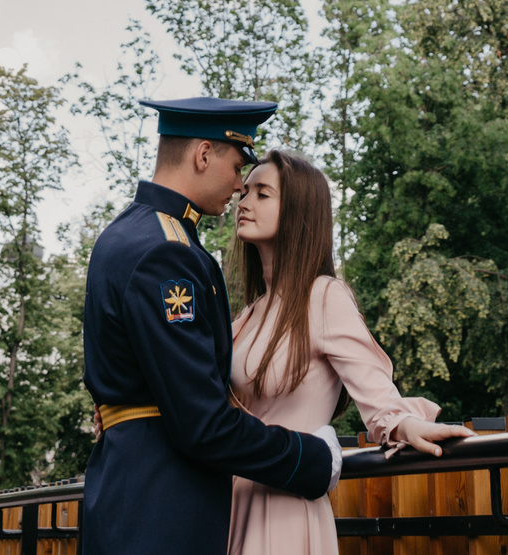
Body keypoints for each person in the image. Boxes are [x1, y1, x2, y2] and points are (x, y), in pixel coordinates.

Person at [81, 97, 339, 555]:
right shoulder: (168, 252)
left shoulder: (121, 233)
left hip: (125, 490)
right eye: (239, 167)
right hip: (163, 506)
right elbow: (202, 423)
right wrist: (312, 458)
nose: (241, 186)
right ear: (203, 155)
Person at [225, 149, 471, 555]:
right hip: (234, 506)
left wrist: (405, 424)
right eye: (245, 190)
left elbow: (376, 394)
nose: (243, 201)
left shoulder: (323, 296)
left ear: (297, 211)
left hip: (288, 508)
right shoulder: (245, 318)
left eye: (262, 193)